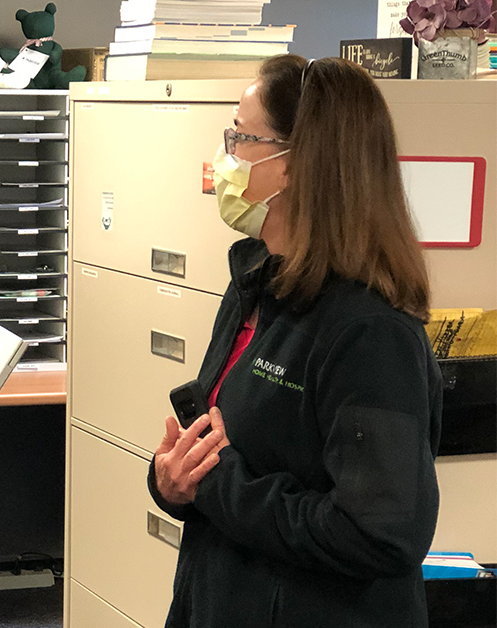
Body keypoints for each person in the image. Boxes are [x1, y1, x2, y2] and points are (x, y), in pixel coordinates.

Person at [149, 55, 442, 628]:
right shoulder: (257, 284)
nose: (224, 157)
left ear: (296, 163)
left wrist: (217, 483)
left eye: (241, 137)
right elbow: (224, 448)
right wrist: (174, 479)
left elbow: (379, 535)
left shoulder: (370, 334)